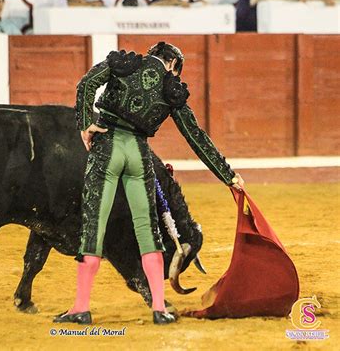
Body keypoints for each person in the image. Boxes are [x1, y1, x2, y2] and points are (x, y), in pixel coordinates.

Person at [54, 42, 244, 325]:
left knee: (94, 226)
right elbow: (196, 137)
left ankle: (81, 307)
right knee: (148, 229)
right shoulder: (171, 88)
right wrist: (228, 175)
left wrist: (85, 124)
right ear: (173, 65)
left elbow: (86, 85)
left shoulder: (124, 63)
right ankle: (159, 308)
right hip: (139, 156)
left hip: (107, 147)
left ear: (153, 54)